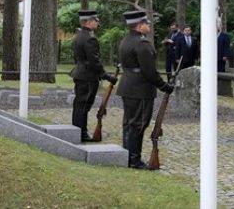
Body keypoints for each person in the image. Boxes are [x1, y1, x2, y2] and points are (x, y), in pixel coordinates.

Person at [117, 10, 174, 169]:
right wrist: (164, 86)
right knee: (138, 124)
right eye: (147, 23)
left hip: (128, 85)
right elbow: (149, 71)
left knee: (129, 123)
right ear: (140, 25)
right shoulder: (142, 44)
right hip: (140, 88)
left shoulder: (126, 41)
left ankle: (127, 156)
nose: (149, 25)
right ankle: (134, 160)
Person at [70, 9, 117, 142]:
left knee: (79, 105)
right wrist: (106, 75)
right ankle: (81, 133)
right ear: (89, 21)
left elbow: (77, 57)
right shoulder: (90, 38)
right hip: (88, 76)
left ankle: (77, 131)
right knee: (84, 105)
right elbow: (94, 61)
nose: (97, 22)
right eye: (96, 20)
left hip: (80, 73)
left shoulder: (78, 36)